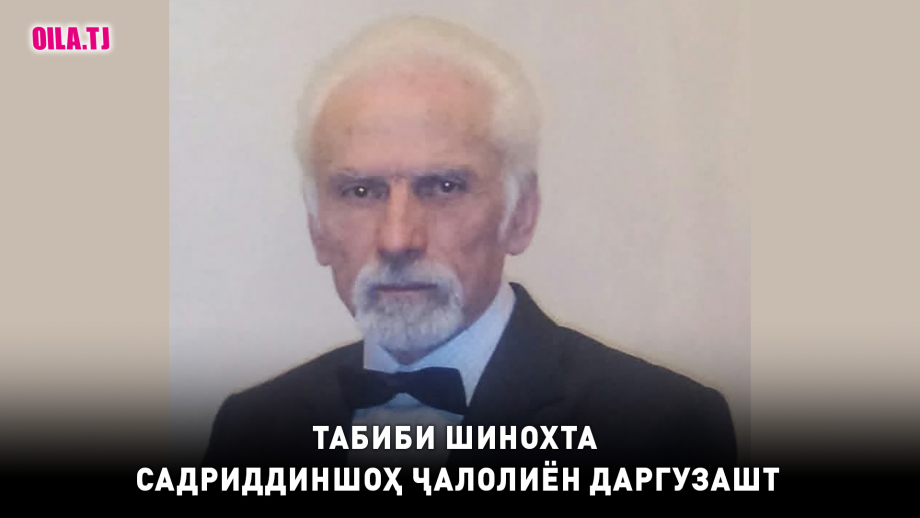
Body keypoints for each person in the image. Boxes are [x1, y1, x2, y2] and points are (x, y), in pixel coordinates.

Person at [202, 15, 736, 472]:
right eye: (361, 192)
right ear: (316, 226)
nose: (397, 239)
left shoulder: (663, 429)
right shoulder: (252, 429)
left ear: (520, 215)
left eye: (443, 188)